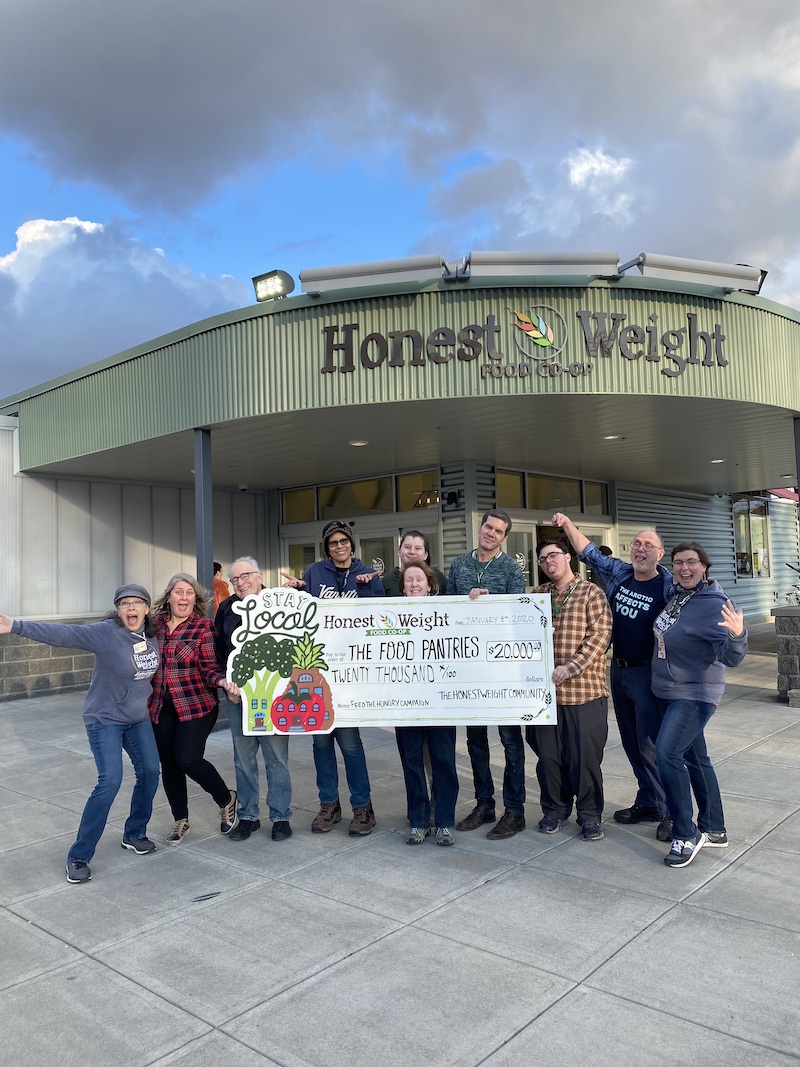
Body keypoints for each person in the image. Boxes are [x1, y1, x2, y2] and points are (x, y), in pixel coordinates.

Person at [0, 584, 161, 884]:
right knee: (110, 780)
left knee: (151, 771)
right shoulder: (105, 633)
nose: (131, 608)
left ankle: (134, 833)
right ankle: (78, 856)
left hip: (137, 720)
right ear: (118, 609)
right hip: (105, 720)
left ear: (146, 608)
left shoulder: (152, 635)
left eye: (137, 603)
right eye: (124, 603)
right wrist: (17, 626)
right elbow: (66, 635)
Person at [552, 514, 673, 841]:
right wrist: (566, 523)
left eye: (649, 545)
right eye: (637, 543)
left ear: (660, 555)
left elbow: (697, 599)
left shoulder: (669, 585)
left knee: (654, 744)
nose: (641, 549)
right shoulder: (620, 572)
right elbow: (587, 551)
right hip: (618, 669)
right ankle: (649, 800)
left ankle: (673, 810)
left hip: (648, 672)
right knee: (633, 742)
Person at [281, 520, 384, 835]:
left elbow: (380, 620)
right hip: (318, 670)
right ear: (327, 548)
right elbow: (305, 618)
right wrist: (299, 591)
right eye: (333, 543)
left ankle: (363, 808)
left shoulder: (367, 573)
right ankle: (329, 805)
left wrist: (367, 587)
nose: (339, 547)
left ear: (352, 543)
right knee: (321, 742)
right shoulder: (315, 573)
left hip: (350, 674)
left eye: (343, 541)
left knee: (350, 744)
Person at [652, 541, 747, 868]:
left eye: (691, 562)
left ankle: (685, 833)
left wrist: (738, 635)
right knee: (696, 758)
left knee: (667, 754)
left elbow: (731, 657)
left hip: (694, 695)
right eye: (679, 562)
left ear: (704, 566)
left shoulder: (714, 603)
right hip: (669, 691)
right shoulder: (678, 596)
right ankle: (715, 828)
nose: (684, 568)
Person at [446, 509, 527, 839]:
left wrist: (494, 603)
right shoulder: (459, 564)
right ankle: (484, 803)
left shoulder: (511, 568)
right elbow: (449, 607)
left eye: (498, 530)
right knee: (475, 739)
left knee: (510, 741)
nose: (491, 533)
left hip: (502, 668)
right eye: (488, 527)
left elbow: (520, 610)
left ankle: (515, 810)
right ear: (480, 528)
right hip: (470, 668)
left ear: (505, 537)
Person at [527, 537, 612, 840]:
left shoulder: (592, 593)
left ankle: (589, 815)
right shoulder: (536, 595)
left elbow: (599, 639)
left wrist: (570, 668)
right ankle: (554, 809)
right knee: (548, 758)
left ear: (567, 557)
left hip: (584, 691)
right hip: (545, 697)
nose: (549, 562)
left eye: (553, 555)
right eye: (542, 559)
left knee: (584, 759)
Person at [149, 573, 239, 844]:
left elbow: (209, 666)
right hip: (160, 706)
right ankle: (180, 819)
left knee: (187, 759)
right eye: (179, 592)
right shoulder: (154, 626)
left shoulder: (202, 628)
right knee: (170, 764)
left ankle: (226, 798)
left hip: (196, 704)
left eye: (189, 593)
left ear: (195, 599)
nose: (184, 597)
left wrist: (222, 680)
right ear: (169, 597)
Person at [215, 556, 293, 842]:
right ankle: (248, 815)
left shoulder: (279, 604)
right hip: (238, 698)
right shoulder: (226, 609)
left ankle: (281, 816)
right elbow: (219, 652)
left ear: (260, 576)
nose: (240, 582)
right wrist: (226, 686)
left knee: (276, 757)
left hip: (272, 695)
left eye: (245, 575)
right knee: (243, 758)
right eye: (234, 578)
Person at [394, 561, 459, 846]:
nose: (414, 584)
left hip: (440, 703)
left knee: (443, 761)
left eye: (419, 579)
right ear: (403, 586)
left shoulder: (447, 612)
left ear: (430, 584)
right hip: (405, 703)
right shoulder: (390, 615)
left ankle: (444, 822)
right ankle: (418, 821)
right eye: (409, 580)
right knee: (411, 762)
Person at [381, 530, 447, 596]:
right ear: (399, 551)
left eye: (417, 548)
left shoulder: (438, 577)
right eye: (407, 547)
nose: (412, 552)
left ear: (425, 555)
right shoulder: (387, 581)